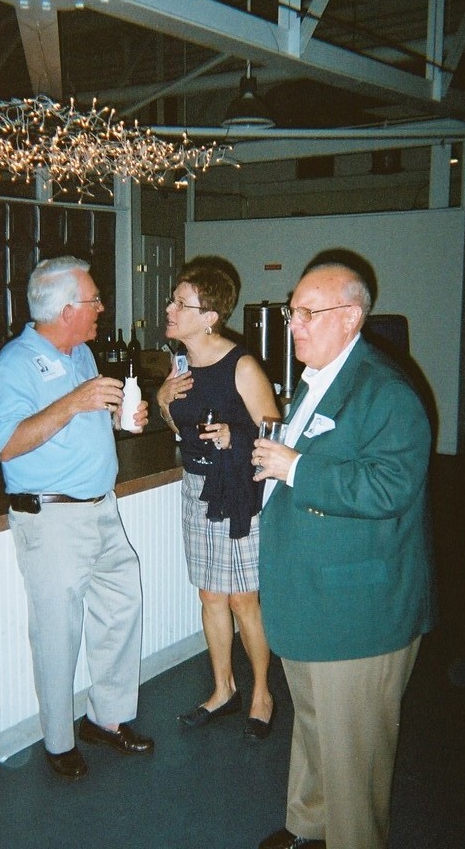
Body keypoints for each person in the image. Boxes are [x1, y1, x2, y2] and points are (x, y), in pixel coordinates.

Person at [253, 259, 437, 849]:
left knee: (354, 753)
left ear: (351, 317)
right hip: (314, 595)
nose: (295, 325)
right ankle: (309, 826)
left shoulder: (385, 391)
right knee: (314, 724)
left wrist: (296, 468)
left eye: (309, 313)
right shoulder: (320, 379)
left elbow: (390, 488)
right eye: (293, 312)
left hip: (359, 610)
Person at [0, 255, 154, 780]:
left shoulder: (80, 353)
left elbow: (81, 423)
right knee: (57, 633)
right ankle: (59, 742)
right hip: (52, 519)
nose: (102, 307)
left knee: (121, 609)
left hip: (101, 509)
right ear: (65, 310)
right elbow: (7, 444)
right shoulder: (13, 365)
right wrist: (77, 401)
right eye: (94, 300)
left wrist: (120, 419)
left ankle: (108, 718)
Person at [157, 261, 279, 738]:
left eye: (180, 303)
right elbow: (181, 430)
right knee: (210, 594)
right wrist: (164, 401)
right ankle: (223, 688)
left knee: (244, 598)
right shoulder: (180, 363)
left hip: (237, 490)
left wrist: (236, 437)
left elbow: (273, 431)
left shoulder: (241, 365)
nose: (169, 309)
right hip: (198, 487)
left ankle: (262, 693)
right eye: (173, 300)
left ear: (209, 317)